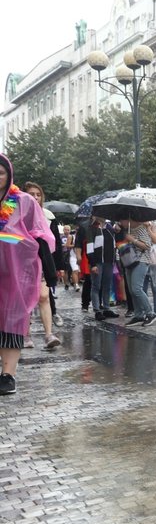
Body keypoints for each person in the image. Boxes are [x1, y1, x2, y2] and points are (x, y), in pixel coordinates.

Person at [0, 154, 56, 394]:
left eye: (0, 172)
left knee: (12, 321)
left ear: (8, 174)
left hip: (15, 274)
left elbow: (41, 233)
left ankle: (8, 375)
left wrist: (48, 267)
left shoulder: (23, 201)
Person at [22, 182, 62, 349]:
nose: (35, 197)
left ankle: (48, 335)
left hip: (43, 260)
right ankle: (26, 334)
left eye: (38, 194)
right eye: (32, 194)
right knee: (25, 300)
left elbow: (56, 242)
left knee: (44, 297)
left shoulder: (48, 216)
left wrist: (59, 265)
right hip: (23, 261)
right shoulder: (17, 213)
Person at [122, 219, 156, 327]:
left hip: (142, 260)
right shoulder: (128, 229)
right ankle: (139, 315)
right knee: (132, 290)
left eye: (122, 220)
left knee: (136, 289)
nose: (120, 222)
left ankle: (150, 313)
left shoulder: (142, 228)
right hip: (130, 261)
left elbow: (147, 245)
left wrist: (133, 240)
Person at [84, 216, 121, 322]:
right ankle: (97, 310)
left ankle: (106, 308)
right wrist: (93, 263)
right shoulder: (92, 228)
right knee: (96, 286)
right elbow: (90, 247)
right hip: (97, 262)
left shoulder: (109, 227)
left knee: (107, 285)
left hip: (109, 261)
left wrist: (117, 230)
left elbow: (114, 242)